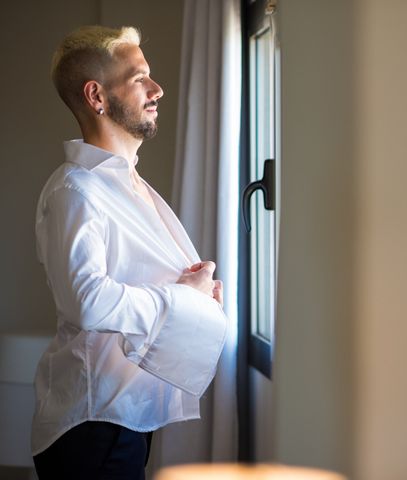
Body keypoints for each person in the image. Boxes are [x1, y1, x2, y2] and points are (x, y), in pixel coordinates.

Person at [31, 25, 229, 480]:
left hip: (123, 416)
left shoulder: (127, 186)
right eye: (139, 78)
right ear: (96, 96)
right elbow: (87, 301)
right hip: (93, 421)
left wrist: (191, 292)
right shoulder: (75, 191)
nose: (156, 89)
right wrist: (184, 299)